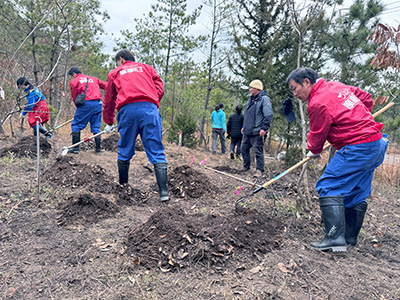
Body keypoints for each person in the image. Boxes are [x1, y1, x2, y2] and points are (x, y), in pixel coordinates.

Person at [286, 67, 387, 252]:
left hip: (358, 147)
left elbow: (317, 134)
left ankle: (334, 239)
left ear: (306, 82)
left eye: (294, 88)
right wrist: (357, 117)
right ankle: (348, 238)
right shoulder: (336, 86)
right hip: (376, 144)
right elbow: (366, 98)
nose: (294, 94)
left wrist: (313, 150)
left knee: (328, 186)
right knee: (356, 191)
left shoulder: (317, 103)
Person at [102, 49, 169, 202]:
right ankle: (164, 193)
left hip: (128, 111)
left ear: (120, 59)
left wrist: (109, 122)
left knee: (125, 149)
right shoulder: (147, 68)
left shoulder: (115, 73)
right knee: (156, 149)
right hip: (149, 110)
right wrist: (152, 100)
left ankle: (123, 188)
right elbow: (160, 87)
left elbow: (109, 100)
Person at [68, 67, 106, 154]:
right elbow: (107, 86)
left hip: (86, 104)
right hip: (98, 104)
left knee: (76, 125)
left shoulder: (75, 81)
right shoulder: (93, 79)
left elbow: (74, 95)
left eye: (71, 76)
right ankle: (98, 150)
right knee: (96, 127)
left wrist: (77, 104)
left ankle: (75, 148)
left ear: (74, 74)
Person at [241, 79, 273, 178]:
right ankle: (246, 167)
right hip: (247, 130)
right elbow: (247, 114)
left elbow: (268, 114)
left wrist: (264, 128)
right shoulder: (251, 99)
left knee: (258, 152)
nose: (250, 89)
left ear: (257, 89)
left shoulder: (264, 99)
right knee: (243, 148)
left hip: (257, 131)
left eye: (251, 88)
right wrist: (244, 126)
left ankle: (259, 170)